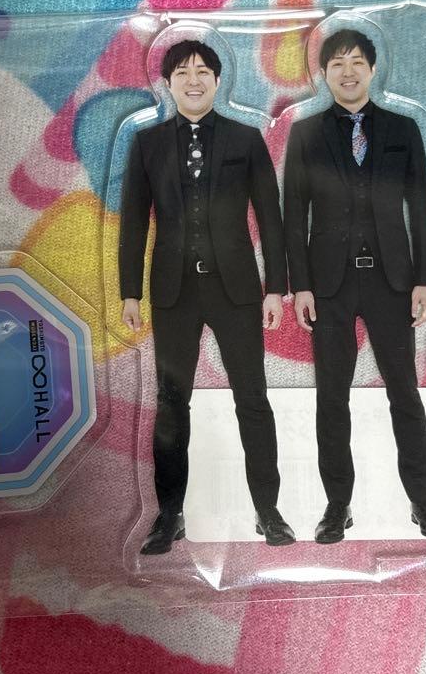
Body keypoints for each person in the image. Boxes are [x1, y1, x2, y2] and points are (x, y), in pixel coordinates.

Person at [119, 39, 296, 553]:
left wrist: (276, 288)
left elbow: (271, 217)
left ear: (218, 81)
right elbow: (133, 223)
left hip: (236, 290)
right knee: (172, 404)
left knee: (253, 399)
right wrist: (130, 292)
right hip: (173, 293)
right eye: (182, 72)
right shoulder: (148, 144)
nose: (193, 80)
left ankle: (269, 511)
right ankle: (168, 515)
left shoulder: (246, 139)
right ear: (167, 83)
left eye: (202, 71)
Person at [282, 28, 426, 542]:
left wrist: (425, 279)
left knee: (404, 391)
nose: (348, 71)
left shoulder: (403, 129)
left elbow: (421, 206)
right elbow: (294, 214)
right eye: (337, 63)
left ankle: (423, 502)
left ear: (373, 69)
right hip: (328, 286)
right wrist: (300, 285)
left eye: (357, 61)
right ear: (323, 74)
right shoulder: (306, 134)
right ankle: (337, 506)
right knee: (332, 397)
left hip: (391, 281)